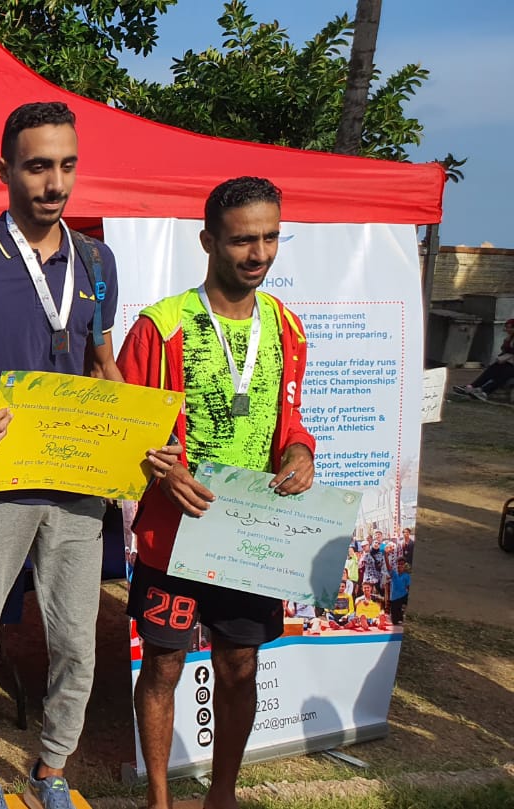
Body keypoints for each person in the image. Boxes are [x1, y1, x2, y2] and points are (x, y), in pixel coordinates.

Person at [0, 101, 174, 809]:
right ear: (5, 170)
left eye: (67, 166)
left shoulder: (97, 262)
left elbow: (102, 364)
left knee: (77, 641)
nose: (55, 183)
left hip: (78, 482)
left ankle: (51, 769)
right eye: (38, 166)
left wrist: (140, 430)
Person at [116, 176, 316, 809]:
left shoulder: (286, 328)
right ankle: (158, 799)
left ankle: (222, 794)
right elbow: (125, 430)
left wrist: (301, 452)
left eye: (270, 238)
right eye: (242, 241)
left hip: (249, 537)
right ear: (208, 241)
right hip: (172, 536)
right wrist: (163, 469)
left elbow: (290, 420)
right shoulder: (161, 326)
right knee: (163, 665)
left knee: (239, 666)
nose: (258, 254)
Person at [452, 318, 514, 400]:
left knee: (503, 374)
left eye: (509, 327)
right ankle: (472, 387)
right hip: (508, 362)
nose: (507, 330)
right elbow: (504, 349)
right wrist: (507, 342)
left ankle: (484, 391)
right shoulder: (510, 338)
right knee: (492, 369)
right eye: (507, 327)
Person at [388, 557, 411, 625]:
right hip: (394, 598)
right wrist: (385, 555)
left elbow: (408, 587)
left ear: (404, 565)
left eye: (402, 564)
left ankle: (403, 616)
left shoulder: (407, 576)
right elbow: (388, 567)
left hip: (403, 596)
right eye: (399, 564)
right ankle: (398, 617)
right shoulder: (393, 574)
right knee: (394, 621)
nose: (400, 565)